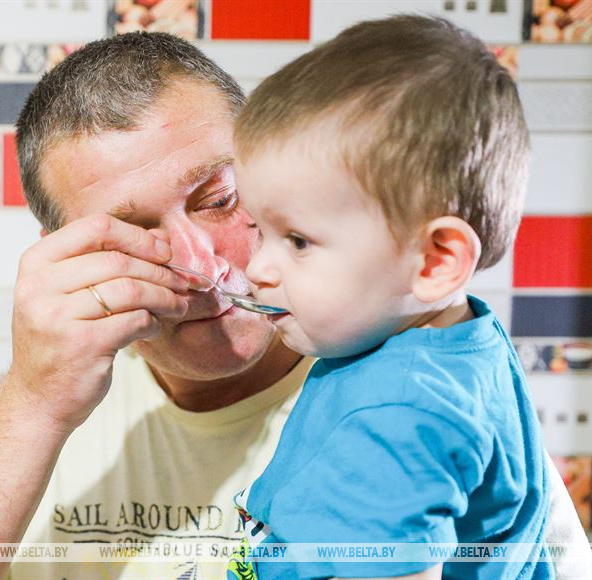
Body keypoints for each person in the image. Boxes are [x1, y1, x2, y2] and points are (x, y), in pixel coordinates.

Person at [0, 31, 592, 580]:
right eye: (135, 233)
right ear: (69, 255)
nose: (202, 266)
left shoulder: (421, 401)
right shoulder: (44, 407)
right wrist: (33, 405)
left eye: (220, 199)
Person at [226, 15, 556, 580]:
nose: (257, 269)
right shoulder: (455, 342)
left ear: (435, 262)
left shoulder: (400, 415)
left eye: (298, 240)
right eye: (260, 230)